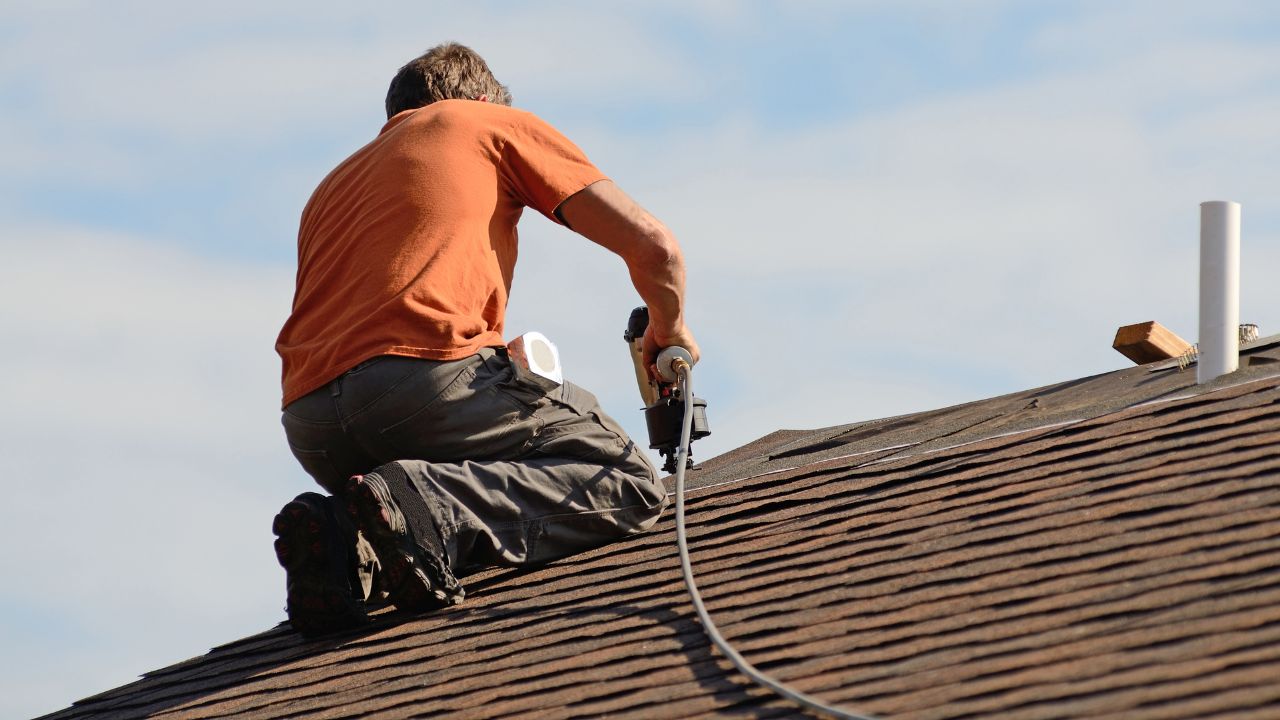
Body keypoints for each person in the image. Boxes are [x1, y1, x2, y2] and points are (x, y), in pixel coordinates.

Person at [270, 42, 699, 636]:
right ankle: (430, 506)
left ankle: (344, 545)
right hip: (423, 383)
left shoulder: (331, 187)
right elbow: (656, 249)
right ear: (479, 98)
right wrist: (668, 328)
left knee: (411, 507)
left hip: (313, 424)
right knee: (626, 480)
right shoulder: (482, 122)